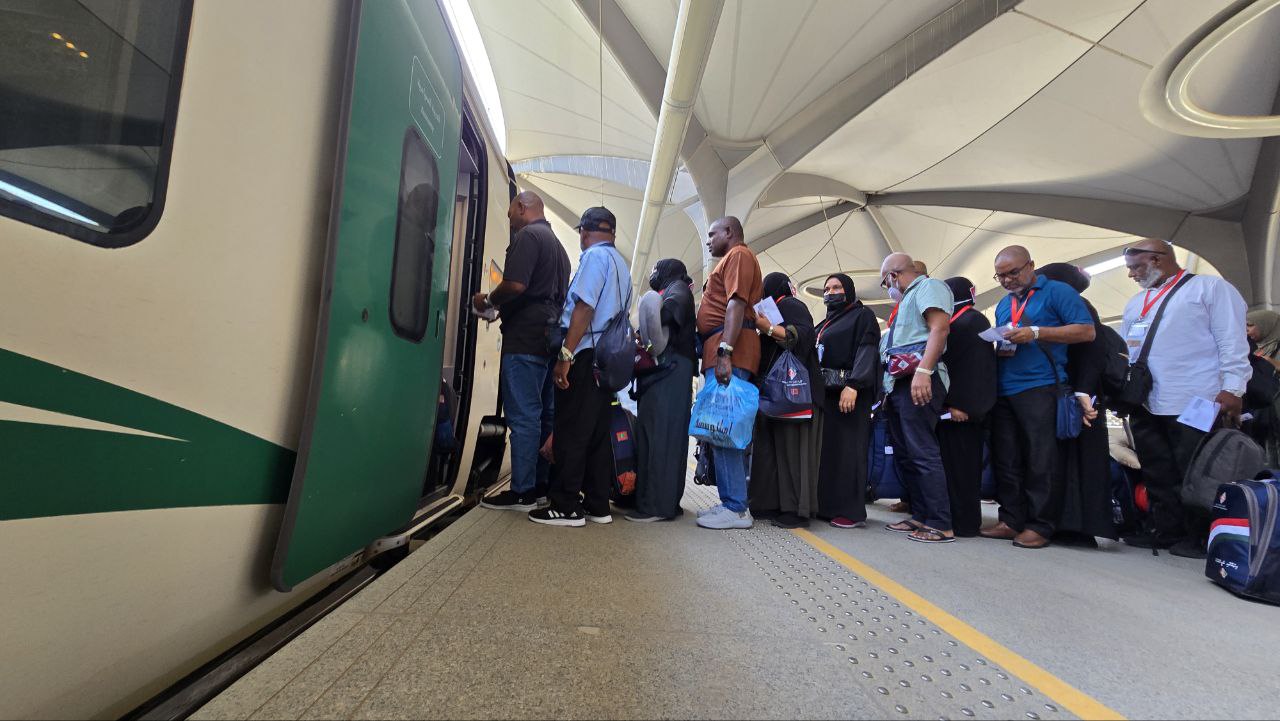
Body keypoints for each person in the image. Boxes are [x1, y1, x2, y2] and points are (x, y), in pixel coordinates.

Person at [1119, 238, 1250, 558]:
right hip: (1147, 400)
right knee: (1157, 468)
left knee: (1194, 468)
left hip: (1198, 397)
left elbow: (1232, 340)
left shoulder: (1209, 289)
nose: (1132, 274)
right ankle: (1167, 530)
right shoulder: (1137, 302)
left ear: (1157, 259)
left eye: (1136, 267)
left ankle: (1200, 535)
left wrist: (1233, 387)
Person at [981, 246, 1095, 550]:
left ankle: (1040, 524)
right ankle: (1011, 519)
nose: (1007, 280)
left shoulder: (1058, 291)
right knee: (1007, 458)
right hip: (1004, 388)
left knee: (1041, 459)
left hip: (1040, 385)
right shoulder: (1004, 303)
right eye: (1000, 276)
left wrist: (1036, 332)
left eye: (1013, 273)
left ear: (1031, 265)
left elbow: (1087, 331)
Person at [529, 207, 632, 527]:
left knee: (571, 428)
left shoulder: (594, 257)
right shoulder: (621, 264)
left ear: (584, 233)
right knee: (598, 432)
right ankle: (598, 505)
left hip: (586, 354)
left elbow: (585, 307)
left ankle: (565, 505)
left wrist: (566, 355)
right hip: (608, 360)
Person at [475, 191, 570, 512]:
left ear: (520, 207)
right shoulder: (559, 248)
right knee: (544, 415)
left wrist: (488, 301)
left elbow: (516, 285)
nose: (511, 223)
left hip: (524, 340)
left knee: (524, 416)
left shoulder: (529, 236)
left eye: (511, 216)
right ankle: (540, 486)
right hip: (548, 339)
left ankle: (521, 492)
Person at [1038, 263, 1117, 545]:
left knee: (1076, 459)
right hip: (1072, 390)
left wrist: (1083, 391)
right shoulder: (1073, 306)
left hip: (1079, 395)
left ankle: (1075, 526)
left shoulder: (1078, 308)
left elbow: (1093, 354)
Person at [878, 253, 954, 543]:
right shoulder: (905, 302)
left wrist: (923, 370)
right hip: (899, 384)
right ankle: (921, 515)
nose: (887, 288)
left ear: (893, 276)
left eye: (885, 282)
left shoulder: (928, 287)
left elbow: (939, 328)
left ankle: (940, 523)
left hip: (920, 377)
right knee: (907, 454)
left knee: (922, 451)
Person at [695, 216, 764, 530]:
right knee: (719, 428)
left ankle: (736, 507)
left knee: (724, 427)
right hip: (722, 347)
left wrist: (725, 351)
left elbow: (736, 303)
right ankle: (730, 501)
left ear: (729, 232)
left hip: (730, 349)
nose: (708, 240)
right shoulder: (732, 258)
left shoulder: (738, 255)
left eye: (712, 234)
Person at [749, 272, 824, 528]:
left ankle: (796, 511)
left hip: (794, 393)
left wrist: (768, 328)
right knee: (776, 452)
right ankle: (772, 505)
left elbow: (803, 337)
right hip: (780, 394)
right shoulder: (776, 308)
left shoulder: (790, 304)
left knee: (793, 454)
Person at [629, 259, 698, 522]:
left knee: (660, 435)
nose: (652, 274)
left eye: (656, 270)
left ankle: (655, 505)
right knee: (666, 436)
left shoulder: (677, 288)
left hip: (669, 371)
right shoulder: (676, 289)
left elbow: (667, 314)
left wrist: (645, 326)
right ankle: (666, 502)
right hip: (672, 371)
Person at [814, 273, 881, 529]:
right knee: (831, 451)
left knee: (849, 450)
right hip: (829, 395)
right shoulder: (827, 322)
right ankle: (827, 506)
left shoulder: (862, 316)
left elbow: (867, 349)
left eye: (837, 287)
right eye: (827, 289)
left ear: (849, 290)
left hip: (850, 394)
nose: (831, 292)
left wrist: (854, 385)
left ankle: (850, 511)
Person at [937, 277, 996, 538]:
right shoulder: (956, 321)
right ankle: (952, 516)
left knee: (963, 468)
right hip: (948, 408)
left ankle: (965, 523)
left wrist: (963, 405)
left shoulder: (972, 321)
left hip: (961, 410)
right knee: (950, 466)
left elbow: (976, 370)